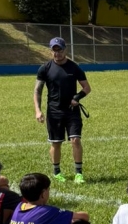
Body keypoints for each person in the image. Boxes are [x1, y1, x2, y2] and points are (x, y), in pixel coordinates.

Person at [33, 37, 92, 184]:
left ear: (65, 50)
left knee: (75, 140)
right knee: (56, 143)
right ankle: (57, 173)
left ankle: (78, 174)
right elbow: (37, 91)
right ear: (51, 51)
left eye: (59, 50)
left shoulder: (74, 67)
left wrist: (77, 97)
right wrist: (38, 110)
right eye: (54, 50)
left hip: (72, 111)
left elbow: (87, 88)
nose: (57, 53)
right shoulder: (45, 68)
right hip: (54, 112)